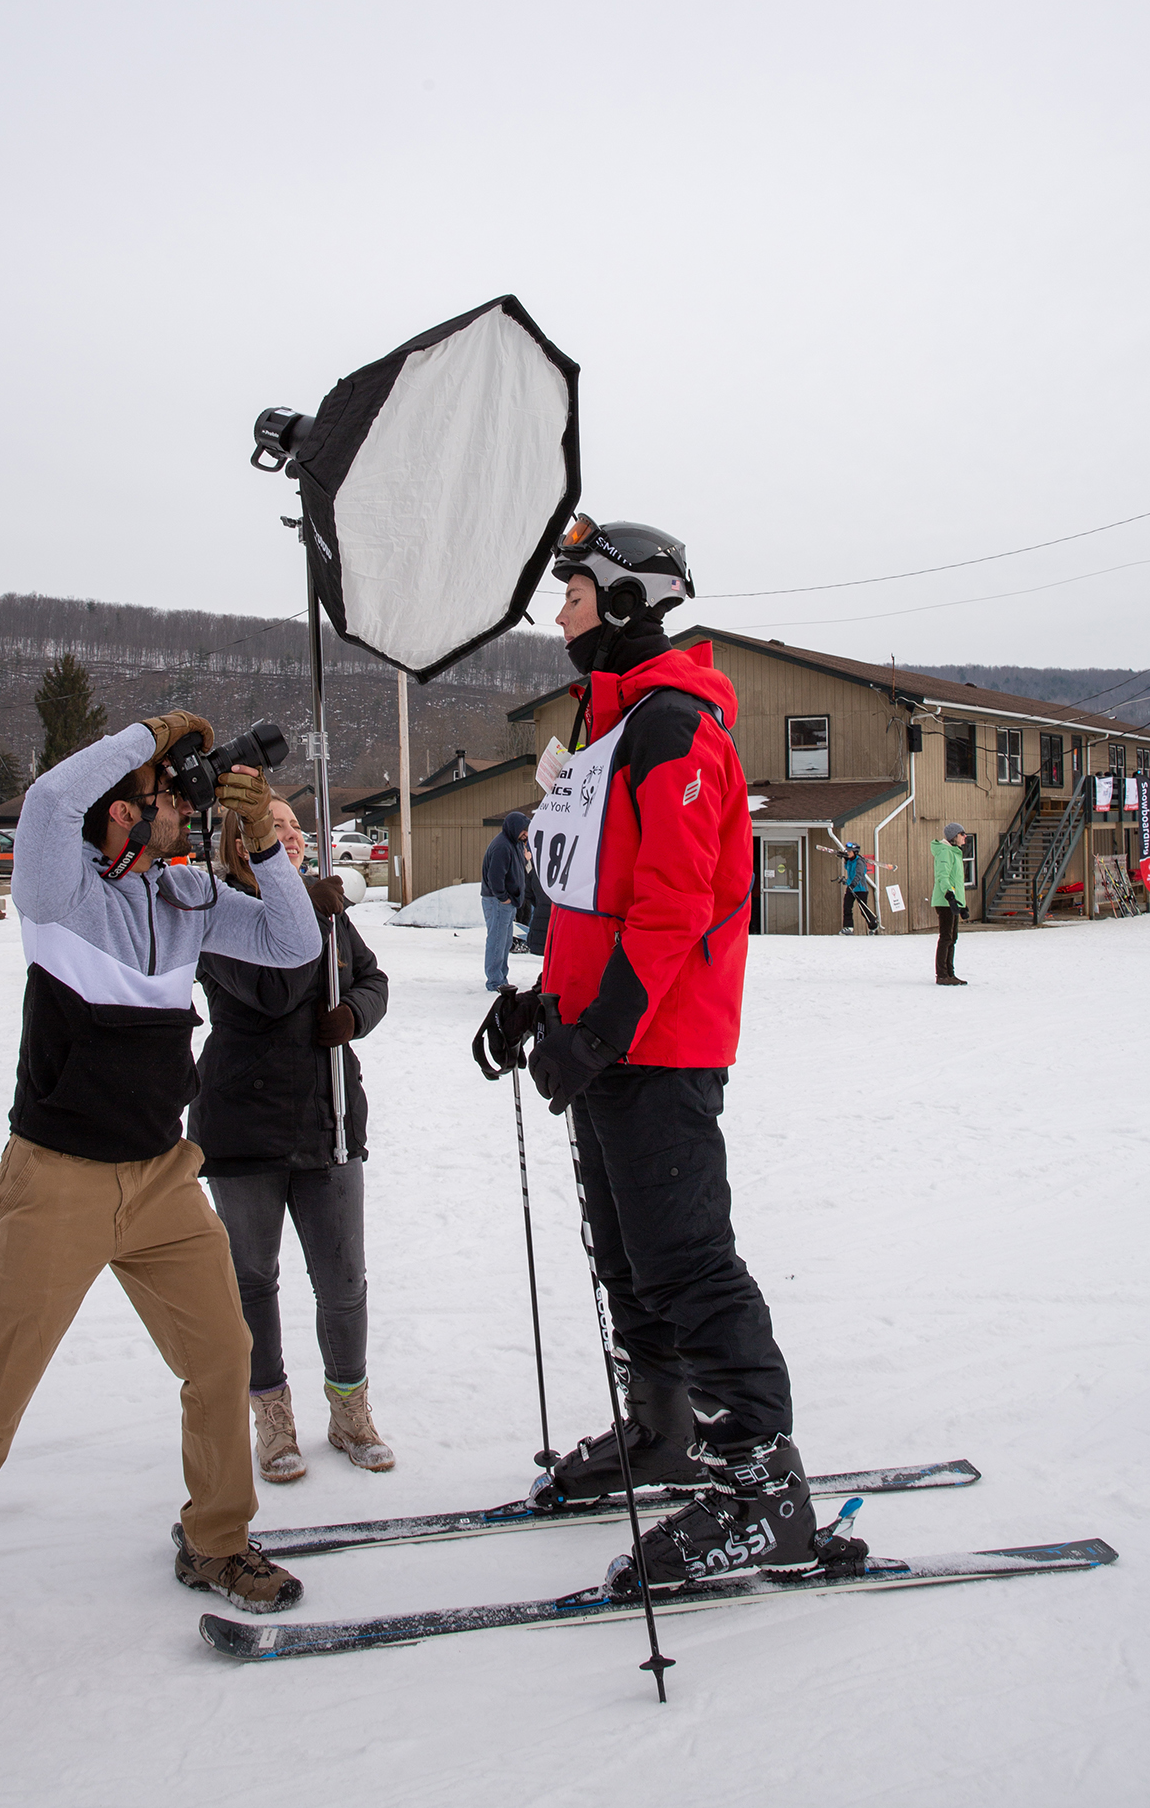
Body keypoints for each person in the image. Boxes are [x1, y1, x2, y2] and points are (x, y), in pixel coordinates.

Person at [0, 712, 324, 1716]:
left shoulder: (185, 896)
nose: (182, 815)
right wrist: (145, 731)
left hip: (159, 1180)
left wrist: (263, 849)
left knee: (221, 1356)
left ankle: (215, 1540)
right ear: (118, 822)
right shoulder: (55, 892)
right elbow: (52, 799)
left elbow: (290, 940)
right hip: (54, 1181)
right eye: (165, 802)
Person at [478, 516, 864, 1593]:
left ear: (630, 601)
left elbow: (673, 908)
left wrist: (597, 1031)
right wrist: (540, 1005)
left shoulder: (675, 728)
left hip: (660, 1044)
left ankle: (761, 1489)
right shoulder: (608, 729)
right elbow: (592, 899)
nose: (560, 614)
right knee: (627, 1255)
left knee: (686, 1258)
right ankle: (662, 1430)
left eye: (576, 594)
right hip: (606, 1042)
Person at [189, 794, 393, 1485]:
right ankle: (271, 1415)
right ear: (239, 841)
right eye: (273, 826)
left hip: (327, 1117)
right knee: (252, 1281)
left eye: (296, 827)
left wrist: (355, 1015)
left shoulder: (323, 911)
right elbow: (273, 989)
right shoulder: (217, 910)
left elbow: (372, 980)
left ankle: (350, 1408)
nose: (291, 835)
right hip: (244, 1126)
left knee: (343, 1282)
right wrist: (307, 904)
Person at [479, 808, 529, 993]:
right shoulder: (502, 846)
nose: (526, 834)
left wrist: (525, 860)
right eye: (524, 830)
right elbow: (495, 877)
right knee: (498, 941)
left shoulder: (514, 843)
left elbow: (514, 867)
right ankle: (495, 981)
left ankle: (501, 977)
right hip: (498, 902)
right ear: (515, 828)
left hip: (507, 902)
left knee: (505, 941)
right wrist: (504, 898)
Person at [931, 821, 969, 985]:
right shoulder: (945, 852)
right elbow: (943, 876)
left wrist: (962, 904)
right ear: (954, 837)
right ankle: (942, 975)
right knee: (946, 937)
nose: (965, 837)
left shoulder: (954, 852)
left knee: (952, 937)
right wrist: (950, 895)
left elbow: (957, 882)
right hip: (945, 901)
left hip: (953, 901)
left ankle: (950, 973)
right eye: (962, 834)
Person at [838, 841, 879, 934]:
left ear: (855, 852)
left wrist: (853, 884)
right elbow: (849, 871)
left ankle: (873, 926)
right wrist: (844, 859)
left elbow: (859, 875)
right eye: (847, 851)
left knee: (863, 909)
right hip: (850, 888)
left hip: (860, 889)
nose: (848, 852)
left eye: (850, 851)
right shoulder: (849, 861)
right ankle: (849, 927)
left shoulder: (859, 862)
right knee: (847, 907)